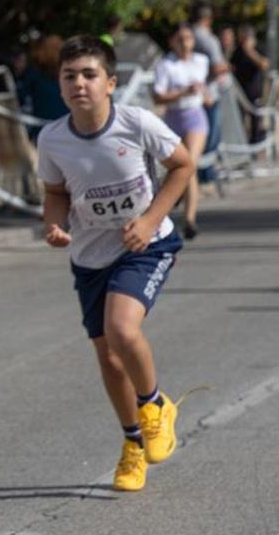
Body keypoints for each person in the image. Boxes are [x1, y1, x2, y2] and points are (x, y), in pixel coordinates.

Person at [37, 36, 192, 492]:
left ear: (110, 82)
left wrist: (149, 220)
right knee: (108, 353)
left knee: (123, 329)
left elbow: (182, 165)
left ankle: (155, 407)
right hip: (89, 254)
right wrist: (54, 225)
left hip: (145, 246)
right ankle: (133, 445)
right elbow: (55, 193)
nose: (79, 84)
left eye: (89, 75)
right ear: (60, 85)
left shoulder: (136, 123)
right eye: (70, 76)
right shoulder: (52, 138)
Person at [151, 23, 210, 238]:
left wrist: (206, 95)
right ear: (172, 41)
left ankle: (190, 219)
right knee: (176, 166)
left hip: (195, 116)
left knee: (189, 164)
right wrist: (182, 92)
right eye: (180, 38)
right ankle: (172, 201)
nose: (185, 43)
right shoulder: (166, 65)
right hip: (174, 117)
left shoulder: (201, 61)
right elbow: (158, 96)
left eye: (188, 38)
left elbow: (204, 88)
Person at [190, 2, 228, 183]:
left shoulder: (188, 35)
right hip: (209, 95)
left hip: (193, 96)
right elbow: (217, 66)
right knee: (210, 136)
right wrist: (228, 66)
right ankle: (206, 177)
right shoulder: (207, 39)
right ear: (208, 19)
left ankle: (199, 176)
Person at [230, 23, 270, 143]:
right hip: (240, 92)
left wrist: (250, 52)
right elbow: (231, 67)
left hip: (255, 92)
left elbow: (264, 64)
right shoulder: (237, 51)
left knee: (256, 121)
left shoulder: (258, 49)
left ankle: (256, 143)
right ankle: (242, 143)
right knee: (239, 119)